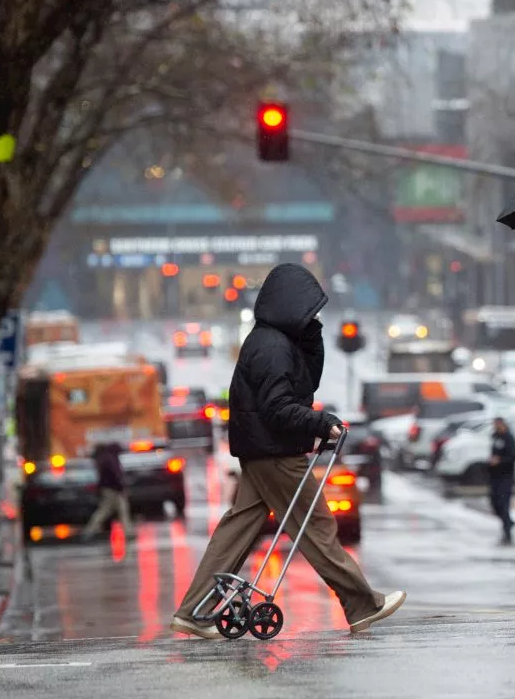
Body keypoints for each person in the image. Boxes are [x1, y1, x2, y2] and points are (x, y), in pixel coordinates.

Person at [170, 263, 405, 639]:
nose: (315, 317)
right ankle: (362, 605)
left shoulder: (272, 341)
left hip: (262, 450)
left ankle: (193, 611)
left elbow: (305, 381)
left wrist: (311, 336)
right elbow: (278, 407)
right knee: (317, 528)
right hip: (275, 453)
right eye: (310, 311)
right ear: (291, 306)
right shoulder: (273, 348)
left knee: (238, 527)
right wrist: (319, 422)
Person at [82, 442, 133, 540]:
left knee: (118, 509)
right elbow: (116, 475)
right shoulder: (111, 459)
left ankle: (128, 532)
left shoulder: (103, 459)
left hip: (108, 488)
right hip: (113, 489)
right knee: (109, 510)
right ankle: (89, 530)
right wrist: (121, 488)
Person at [489, 417, 515, 545]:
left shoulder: (509, 438)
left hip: (506, 476)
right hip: (495, 477)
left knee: (504, 503)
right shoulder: (495, 437)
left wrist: (500, 461)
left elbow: (513, 456)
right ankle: (508, 522)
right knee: (495, 502)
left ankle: (507, 530)